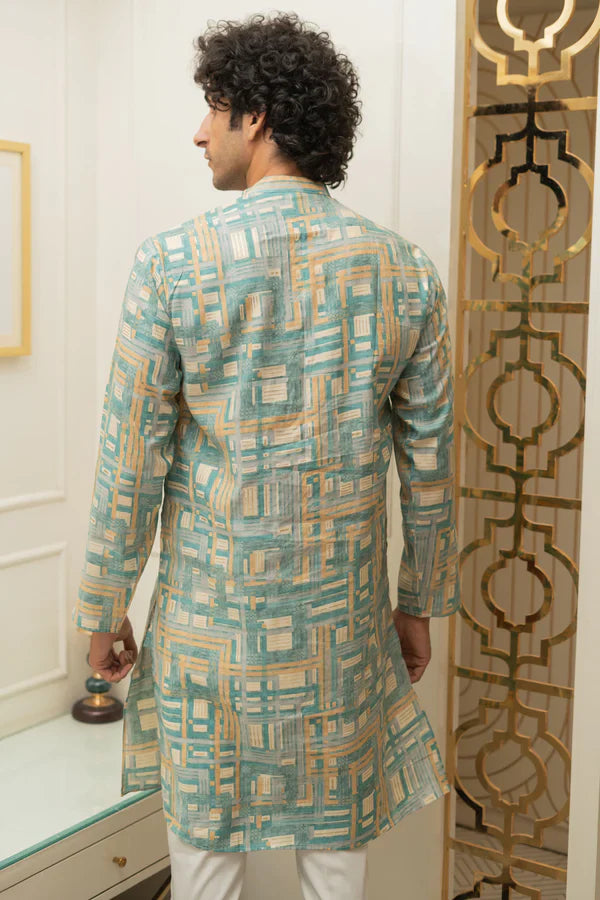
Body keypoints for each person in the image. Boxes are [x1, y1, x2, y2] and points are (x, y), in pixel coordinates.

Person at [71, 11, 460, 899]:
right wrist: (418, 603)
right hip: (341, 638)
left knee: (206, 874)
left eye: (213, 108)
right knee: (336, 871)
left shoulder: (172, 265)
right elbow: (432, 471)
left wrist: (103, 606)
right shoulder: (404, 272)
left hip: (211, 641)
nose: (199, 131)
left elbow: (129, 462)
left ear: (257, 118)